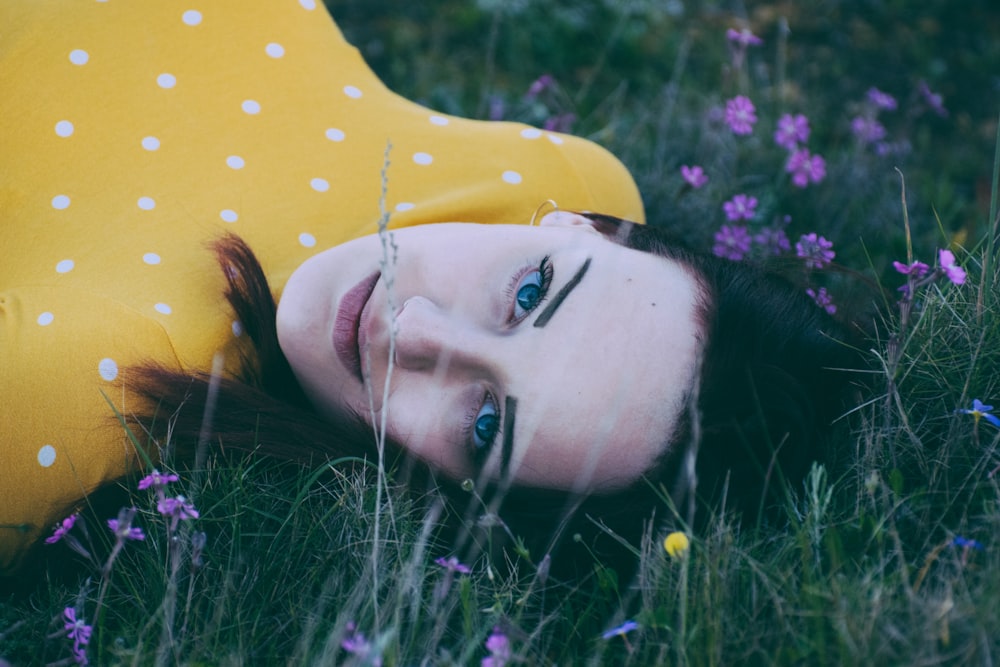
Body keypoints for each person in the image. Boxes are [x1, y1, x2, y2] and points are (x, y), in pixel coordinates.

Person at [0, 0, 864, 580]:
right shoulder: (548, 175)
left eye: (485, 423)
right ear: (582, 224)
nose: (410, 328)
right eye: (531, 292)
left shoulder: (64, 405)